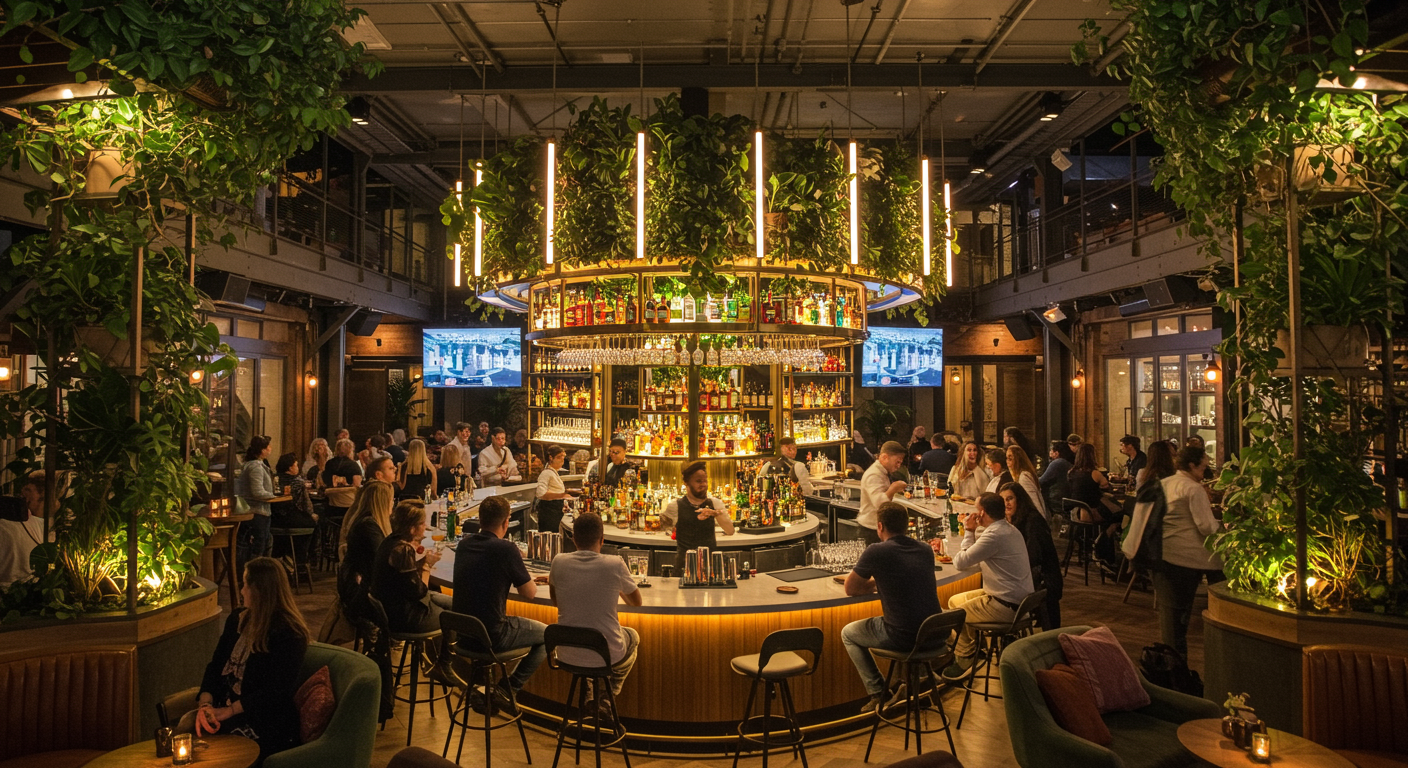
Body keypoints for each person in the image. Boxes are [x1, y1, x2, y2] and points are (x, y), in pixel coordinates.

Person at [190, 557, 309, 757]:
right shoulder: (237, 619)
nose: (242, 590)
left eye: (245, 585)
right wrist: (205, 703)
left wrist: (230, 711)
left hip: (264, 721)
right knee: (183, 740)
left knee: (212, 754)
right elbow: (216, 665)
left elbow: (276, 692)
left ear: (259, 590)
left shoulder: (289, 633)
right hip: (223, 710)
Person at [841, 501, 941, 713]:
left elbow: (850, 588)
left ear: (880, 526)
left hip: (903, 637)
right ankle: (921, 677)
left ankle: (878, 692)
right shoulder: (924, 549)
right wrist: (883, 580)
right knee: (910, 617)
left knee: (848, 633)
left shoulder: (877, 551)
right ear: (907, 525)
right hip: (935, 634)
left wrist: (874, 583)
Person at [453, 496, 546, 713]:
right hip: (493, 636)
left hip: (464, 635)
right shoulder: (506, 549)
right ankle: (508, 689)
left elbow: (485, 574)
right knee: (548, 634)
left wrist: (519, 573)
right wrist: (524, 576)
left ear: (480, 519)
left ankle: (481, 688)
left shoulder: (464, 545)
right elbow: (529, 593)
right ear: (506, 522)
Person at [548, 512, 643, 709]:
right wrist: (614, 587)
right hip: (605, 654)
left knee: (586, 642)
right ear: (602, 539)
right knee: (633, 636)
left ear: (573, 539)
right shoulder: (614, 564)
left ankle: (589, 692)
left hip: (565, 653)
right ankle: (607, 697)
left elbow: (556, 602)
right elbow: (636, 602)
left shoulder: (558, 561)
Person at [941, 493, 1034, 679]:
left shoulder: (994, 535)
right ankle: (976, 651)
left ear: (982, 513)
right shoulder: (1009, 529)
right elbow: (981, 562)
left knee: (954, 614)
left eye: (976, 510)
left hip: (1006, 605)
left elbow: (961, 562)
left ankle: (965, 658)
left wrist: (969, 530)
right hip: (1020, 601)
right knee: (954, 600)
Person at [370, 500, 461, 687]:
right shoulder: (402, 550)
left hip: (393, 606)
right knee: (452, 617)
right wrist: (427, 565)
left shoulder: (391, 541)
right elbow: (419, 592)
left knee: (455, 604)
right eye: (422, 524)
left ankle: (439, 661)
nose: (425, 527)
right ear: (412, 529)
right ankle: (443, 665)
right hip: (403, 617)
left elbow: (404, 579)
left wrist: (421, 563)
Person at [1156, 445, 1225, 658]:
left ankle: (1173, 669)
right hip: (1188, 558)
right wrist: (1223, 529)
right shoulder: (1192, 488)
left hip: (1164, 555)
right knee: (1222, 584)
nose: (1204, 473)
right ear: (1192, 465)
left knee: (1172, 621)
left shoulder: (1164, 484)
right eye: (1203, 468)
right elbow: (1206, 527)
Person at [999, 482, 1063, 630]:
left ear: (1019, 500)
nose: (1006, 504)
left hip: (1044, 582)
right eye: (1002, 500)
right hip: (1033, 578)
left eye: (1010, 499)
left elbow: (1033, 556)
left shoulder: (1032, 520)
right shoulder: (1015, 520)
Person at [661, 461, 736, 571]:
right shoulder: (675, 506)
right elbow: (662, 527)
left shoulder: (715, 504)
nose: (703, 484)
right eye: (698, 481)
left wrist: (716, 514)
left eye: (705, 481)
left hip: (709, 567)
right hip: (684, 566)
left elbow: (730, 531)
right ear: (686, 483)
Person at [337, 481, 394, 604]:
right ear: (382, 502)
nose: (393, 503)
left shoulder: (367, 521)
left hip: (364, 584)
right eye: (391, 499)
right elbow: (382, 559)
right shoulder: (368, 525)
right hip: (363, 592)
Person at [0, 473, 54, 590]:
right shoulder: (8, 524)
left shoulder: (47, 527)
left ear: (43, 495)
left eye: (28, 490)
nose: (23, 494)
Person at [858, 442, 909, 545]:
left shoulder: (883, 472)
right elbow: (880, 504)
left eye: (900, 462)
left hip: (879, 528)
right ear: (885, 457)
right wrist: (893, 488)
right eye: (897, 462)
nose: (898, 466)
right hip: (871, 529)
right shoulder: (874, 474)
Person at [271, 453, 318, 564]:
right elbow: (307, 506)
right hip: (293, 519)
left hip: (275, 520)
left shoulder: (273, 479)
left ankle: (283, 556)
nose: (298, 467)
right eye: (296, 465)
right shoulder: (298, 482)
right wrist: (312, 515)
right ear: (290, 467)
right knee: (315, 522)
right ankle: (304, 558)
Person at [238, 436, 276, 558]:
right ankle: (257, 570)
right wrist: (273, 497)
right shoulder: (256, 467)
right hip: (257, 511)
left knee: (264, 540)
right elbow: (257, 491)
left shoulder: (254, 465)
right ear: (262, 450)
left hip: (257, 510)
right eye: (268, 446)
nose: (271, 448)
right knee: (259, 545)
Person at [535, 444, 580, 534]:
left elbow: (556, 490)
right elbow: (541, 493)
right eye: (559, 457)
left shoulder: (554, 472)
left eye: (563, 457)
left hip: (556, 511)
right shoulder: (546, 473)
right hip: (549, 513)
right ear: (551, 458)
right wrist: (562, 495)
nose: (562, 460)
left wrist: (564, 502)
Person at [1066, 442, 1111, 520]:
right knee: (1118, 515)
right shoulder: (1095, 473)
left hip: (1074, 511)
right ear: (1092, 456)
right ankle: (1106, 532)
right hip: (1090, 511)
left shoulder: (1071, 472)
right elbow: (1106, 485)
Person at [1006, 444, 1048, 519]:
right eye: (1006, 458)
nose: (1007, 462)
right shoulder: (1021, 475)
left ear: (1018, 460)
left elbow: (1034, 501)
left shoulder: (1024, 477)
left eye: (1010, 459)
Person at [322, 438, 363, 514]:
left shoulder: (329, 463)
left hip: (331, 505)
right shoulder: (353, 465)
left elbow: (326, 482)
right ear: (351, 450)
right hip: (350, 507)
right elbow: (357, 485)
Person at [1039, 441, 1074, 517]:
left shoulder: (1058, 463)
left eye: (1051, 450)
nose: (1049, 452)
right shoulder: (1066, 463)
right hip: (1065, 501)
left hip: (1057, 502)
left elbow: (1041, 481)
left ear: (1056, 453)